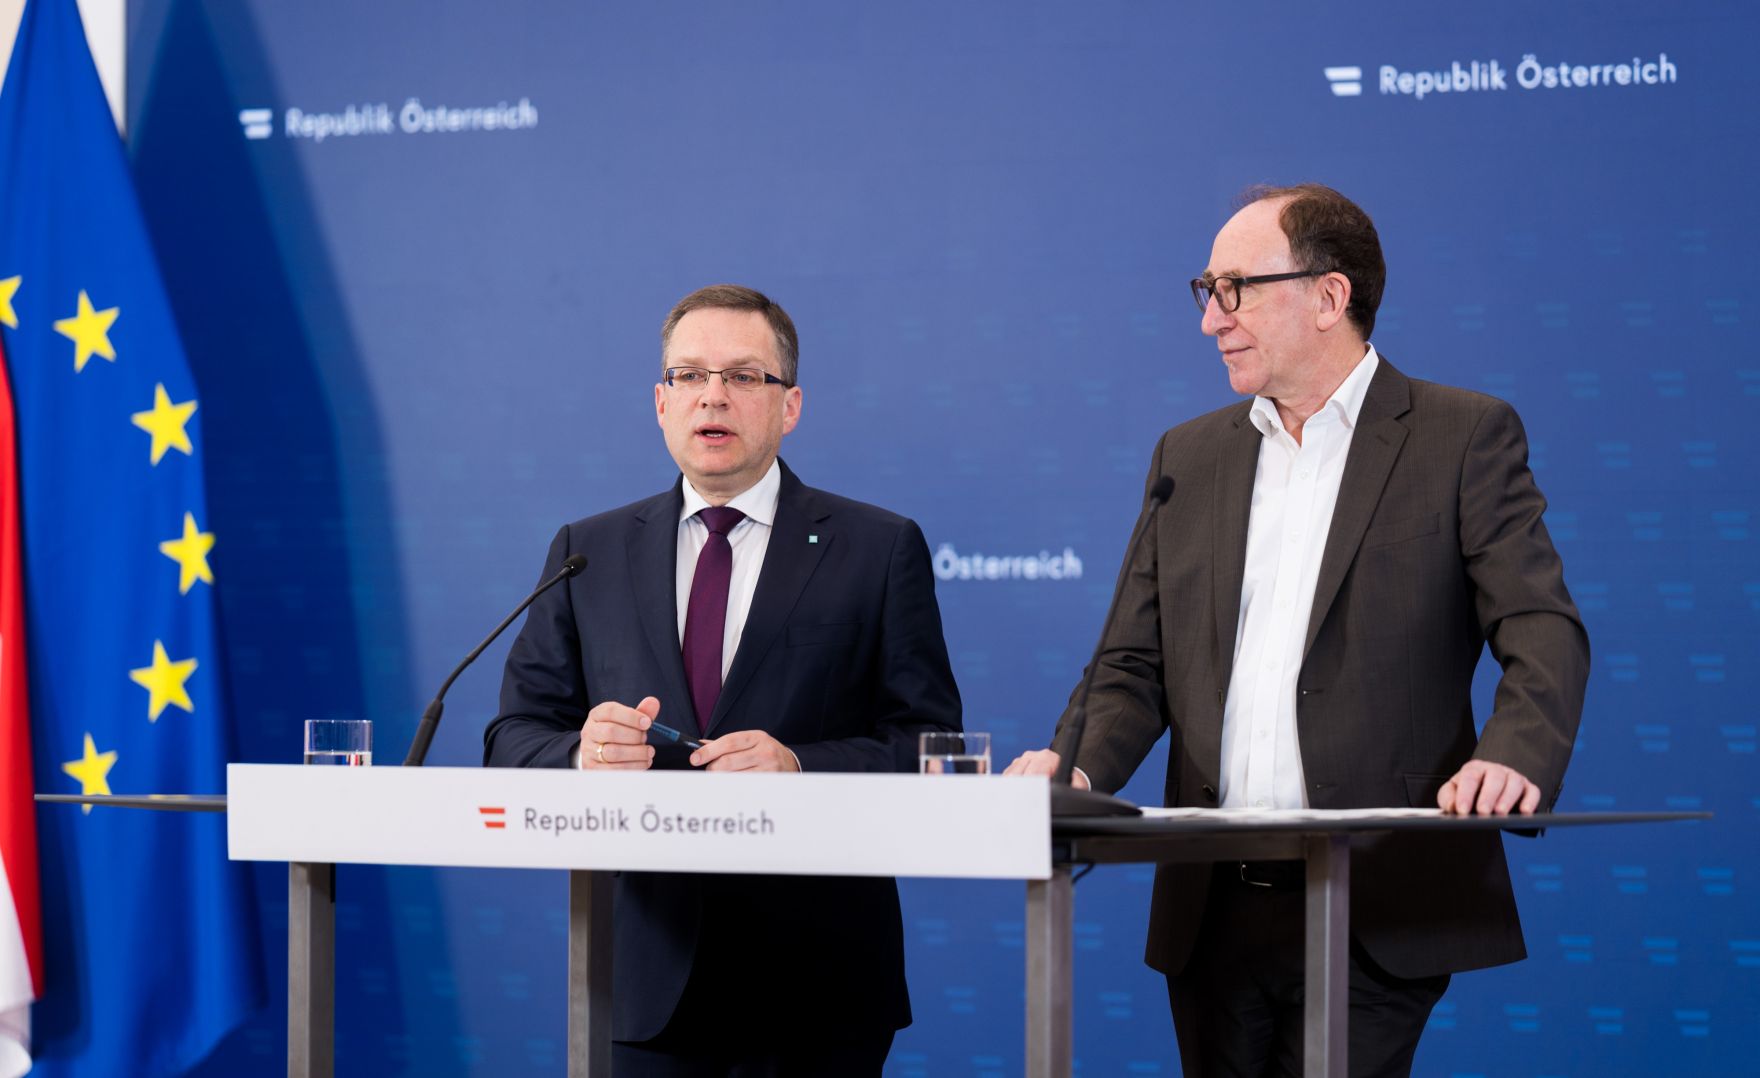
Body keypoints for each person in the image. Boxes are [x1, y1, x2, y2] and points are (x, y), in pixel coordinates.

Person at [1004, 184, 1588, 1077]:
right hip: (1211, 904)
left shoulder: (1460, 436)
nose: (1212, 320)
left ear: (1329, 295)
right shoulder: (1187, 458)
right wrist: (1076, 767)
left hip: (1373, 895)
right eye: (1207, 290)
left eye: (1235, 287)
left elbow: (1540, 624)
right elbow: (1133, 662)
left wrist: (1516, 752)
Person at [485, 284, 961, 1075]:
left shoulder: (877, 549)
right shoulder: (587, 551)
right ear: (661, 402)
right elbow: (511, 738)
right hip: (641, 982)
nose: (714, 395)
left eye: (744, 376)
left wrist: (801, 766)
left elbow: (931, 745)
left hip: (817, 984)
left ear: (791, 405)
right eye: (690, 375)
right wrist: (582, 754)